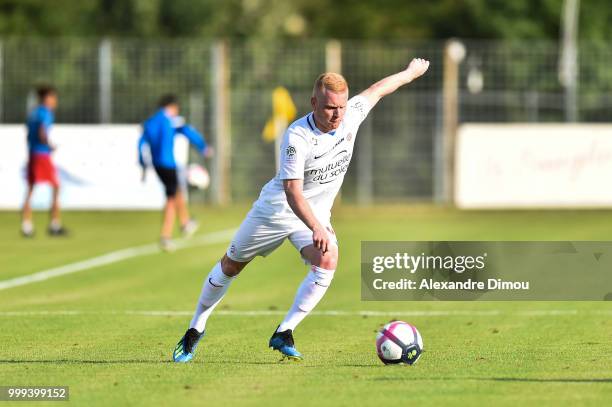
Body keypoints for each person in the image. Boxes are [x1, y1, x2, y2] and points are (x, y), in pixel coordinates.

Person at [172, 58, 430, 362]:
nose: (337, 114)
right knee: (231, 266)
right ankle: (195, 329)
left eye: (342, 107)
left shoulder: (351, 117)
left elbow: (377, 90)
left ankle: (284, 332)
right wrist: (317, 228)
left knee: (328, 258)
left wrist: (410, 73)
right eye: (330, 107)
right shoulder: (297, 136)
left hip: (314, 215)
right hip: (276, 210)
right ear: (314, 102)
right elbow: (292, 191)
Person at [138, 94, 212, 251]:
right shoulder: (169, 120)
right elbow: (188, 131)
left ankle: (185, 222)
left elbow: (141, 143)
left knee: (175, 192)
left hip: (157, 165)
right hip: (168, 164)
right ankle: (166, 236)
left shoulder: (150, 122)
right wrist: (203, 147)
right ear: (171, 107)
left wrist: (142, 163)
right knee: (171, 199)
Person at [21, 85, 67, 237]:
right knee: (56, 186)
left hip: (33, 154)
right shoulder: (46, 113)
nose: (55, 101)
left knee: (30, 188)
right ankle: (54, 224)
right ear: (46, 98)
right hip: (42, 155)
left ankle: (26, 225)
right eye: (53, 97)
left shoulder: (33, 113)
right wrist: (49, 145)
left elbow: (28, 136)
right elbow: (42, 132)